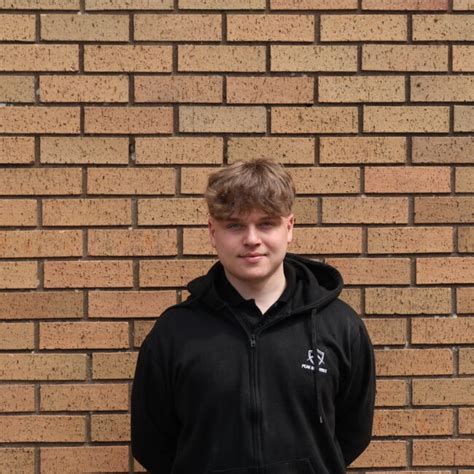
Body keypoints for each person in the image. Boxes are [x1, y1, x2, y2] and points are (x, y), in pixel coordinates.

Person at [131, 158, 375, 474]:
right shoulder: (175, 333)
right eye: (235, 225)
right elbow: (152, 444)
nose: (251, 239)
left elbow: (353, 431)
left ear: (289, 228)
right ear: (213, 232)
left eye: (266, 223)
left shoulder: (340, 326)